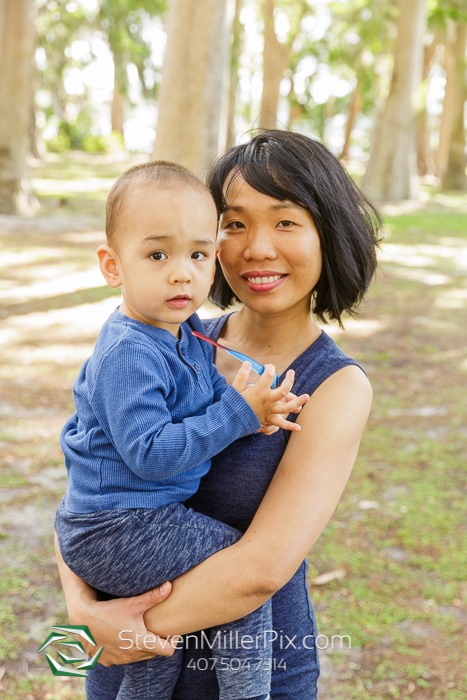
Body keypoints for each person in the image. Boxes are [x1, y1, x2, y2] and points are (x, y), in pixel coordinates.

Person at [54, 130, 381, 700]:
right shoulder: (167, 340)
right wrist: (81, 610)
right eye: (234, 224)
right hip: (128, 666)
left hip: (245, 676)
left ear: (327, 234)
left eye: (285, 221)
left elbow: (259, 571)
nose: (256, 247)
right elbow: (89, 484)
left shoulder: (335, 385)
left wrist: (119, 630)